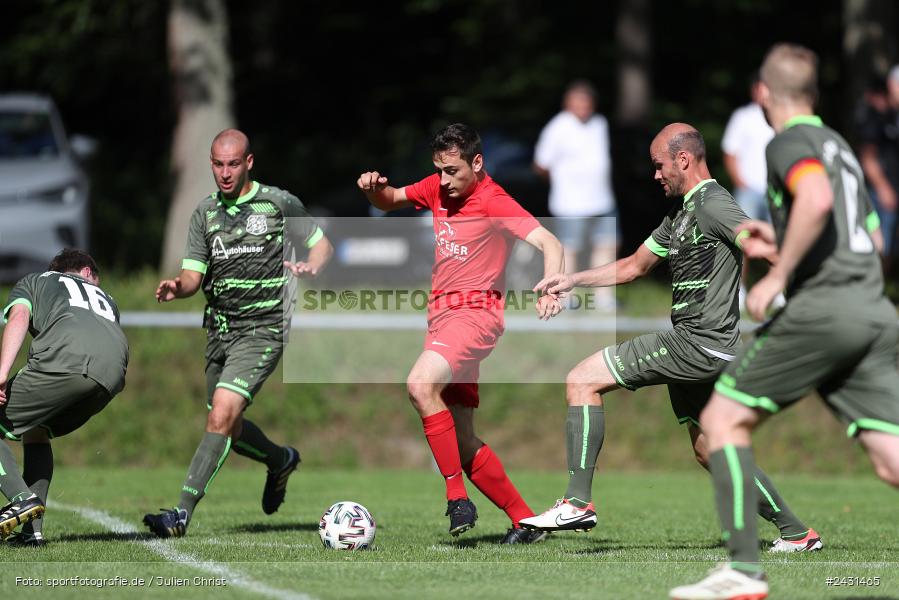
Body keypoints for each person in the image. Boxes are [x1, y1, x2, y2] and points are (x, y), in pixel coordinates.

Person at [519, 124, 818, 557]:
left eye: (659, 165)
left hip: (698, 344)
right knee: (710, 449)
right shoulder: (681, 214)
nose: (655, 175)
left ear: (683, 159)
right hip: (704, 347)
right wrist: (572, 280)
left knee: (582, 380)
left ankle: (577, 502)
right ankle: (796, 533)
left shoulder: (714, 204)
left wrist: (790, 287)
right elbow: (634, 267)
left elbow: (760, 244)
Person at [671, 44, 899, 600]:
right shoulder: (840, 146)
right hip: (874, 308)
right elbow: (869, 238)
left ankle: (743, 574)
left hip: (824, 310)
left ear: (763, 94)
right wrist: (784, 240)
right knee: (890, 460)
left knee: (721, 420)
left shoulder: (787, 142)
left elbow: (814, 199)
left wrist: (779, 275)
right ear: (813, 92)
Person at [357, 123, 564, 543]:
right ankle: (527, 522)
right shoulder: (438, 187)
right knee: (462, 439)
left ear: (477, 162)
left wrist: (550, 287)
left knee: (420, 385)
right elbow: (390, 199)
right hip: (442, 319)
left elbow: (550, 242)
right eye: (440, 170)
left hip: (473, 318)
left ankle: (457, 498)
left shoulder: (494, 201)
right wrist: (372, 190)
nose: (444, 180)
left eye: (452, 171)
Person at [143, 129, 333, 538]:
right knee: (226, 422)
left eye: (233, 164)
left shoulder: (278, 203)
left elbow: (321, 244)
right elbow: (193, 277)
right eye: (218, 164)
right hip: (220, 331)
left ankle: (180, 514)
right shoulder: (205, 213)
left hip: (264, 328)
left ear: (249, 162)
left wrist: (314, 264)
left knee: (222, 413)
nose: (225, 173)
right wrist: (178, 287)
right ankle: (280, 460)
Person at [0, 248, 129, 545]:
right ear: (87, 272)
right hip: (112, 377)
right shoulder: (108, 299)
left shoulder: (36, 280)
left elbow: (19, 316)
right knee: (37, 429)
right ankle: (31, 533)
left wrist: (2, 373)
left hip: (68, 362)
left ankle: (21, 499)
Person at [534, 80, 617, 309]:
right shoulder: (557, 127)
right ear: (568, 103)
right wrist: (560, 182)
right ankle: (567, 298)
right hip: (570, 202)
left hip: (602, 199)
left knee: (607, 245)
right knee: (569, 249)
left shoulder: (599, 123)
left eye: (586, 102)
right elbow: (541, 164)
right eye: (578, 101)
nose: (583, 106)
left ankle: (603, 298)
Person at [722, 74, 777, 308]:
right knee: (741, 241)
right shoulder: (742, 117)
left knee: (779, 239)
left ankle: (778, 289)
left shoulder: (779, 116)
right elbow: (730, 152)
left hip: (775, 190)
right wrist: (740, 182)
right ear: (754, 90)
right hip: (749, 190)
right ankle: (739, 290)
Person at [857, 66, 899, 269]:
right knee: (880, 245)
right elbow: (868, 156)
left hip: (893, 189)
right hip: (881, 194)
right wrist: (883, 188)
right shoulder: (875, 116)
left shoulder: (893, 114)